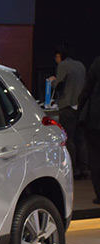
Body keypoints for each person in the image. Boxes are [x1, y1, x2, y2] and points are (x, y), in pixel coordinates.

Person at [48, 44, 88, 179]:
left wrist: (52, 81)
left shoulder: (63, 66)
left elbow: (58, 83)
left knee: (68, 137)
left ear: (58, 56)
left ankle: (74, 169)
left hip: (68, 105)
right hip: (81, 106)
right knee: (80, 139)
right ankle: (84, 168)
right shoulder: (80, 65)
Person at [78, 56, 100, 204]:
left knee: (96, 157)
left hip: (95, 119)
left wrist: (80, 111)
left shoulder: (98, 62)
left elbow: (86, 90)